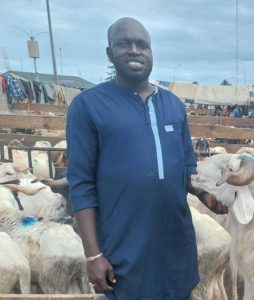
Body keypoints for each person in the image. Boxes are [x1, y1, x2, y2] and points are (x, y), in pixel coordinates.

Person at [66, 18, 199, 299]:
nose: (134, 50)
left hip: (176, 247)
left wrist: (206, 192)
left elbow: (187, 168)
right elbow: (81, 185)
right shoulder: (88, 106)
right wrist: (93, 255)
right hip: (124, 250)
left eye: (143, 45)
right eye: (124, 44)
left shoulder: (173, 105)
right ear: (109, 53)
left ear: (151, 53)